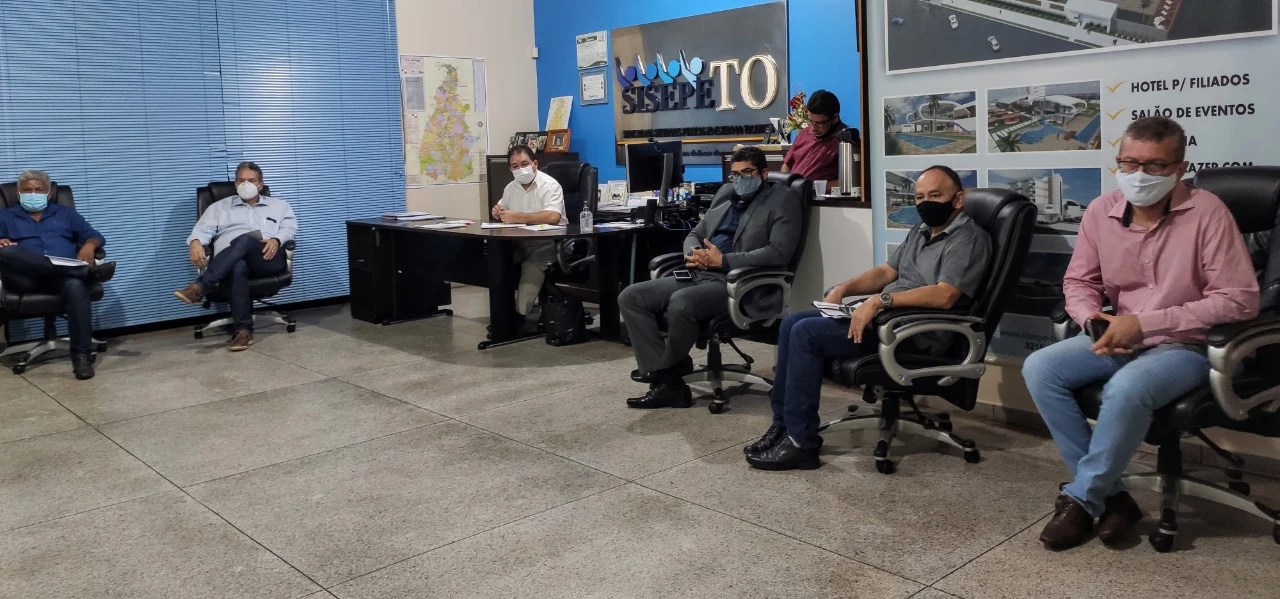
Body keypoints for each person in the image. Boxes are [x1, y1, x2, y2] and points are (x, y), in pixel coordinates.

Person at [1021, 116, 1260, 550]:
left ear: (1180, 168)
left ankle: (1082, 499)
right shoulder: (1101, 211)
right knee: (1040, 368)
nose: (1138, 174)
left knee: (1127, 387)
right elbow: (1078, 281)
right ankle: (1113, 497)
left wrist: (1147, 323)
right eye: (1129, 163)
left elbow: (1239, 300)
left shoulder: (1207, 212)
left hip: (1189, 344)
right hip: (1120, 334)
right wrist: (1090, 316)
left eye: (1154, 166)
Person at [746, 165, 991, 470]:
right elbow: (887, 272)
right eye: (919, 197)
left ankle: (801, 443)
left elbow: (946, 295)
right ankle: (783, 425)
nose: (925, 203)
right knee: (792, 323)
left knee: (805, 334)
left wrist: (879, 300)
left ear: (958, 199)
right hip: (887, 320)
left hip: (913, 333)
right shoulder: (921, 231)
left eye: (935, 195)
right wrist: (844, 289)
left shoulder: (968, 238)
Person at [619, 146, 802, 409]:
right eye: (735, 174)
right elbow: (696, 233)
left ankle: (666, 377)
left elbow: (779, 252)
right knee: (631, 296)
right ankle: (667, 375)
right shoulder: (726, 194)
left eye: (747, 172)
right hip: (699, 271)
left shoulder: (783, 199)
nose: (740, 179)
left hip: (737, 282)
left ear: (763, 173)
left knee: (682, 301)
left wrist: (723, 261)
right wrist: (695, 254)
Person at [0, 169, 116, 380]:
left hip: (63, 281)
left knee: (76, 286)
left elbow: (94, 235)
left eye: (38, 190)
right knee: (7, 252)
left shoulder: (65, 214)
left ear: (49, 192)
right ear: (18, 193)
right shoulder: (5, 216)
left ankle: (81, 357)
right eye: (27, 190)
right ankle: (84, 272)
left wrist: (89, 246)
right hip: (25, 279)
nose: (33, 194)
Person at [174, 161, 297, 352]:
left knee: (245, 240)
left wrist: (276, 240)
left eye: (251, 180)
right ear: (235, 184)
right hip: (229, 262)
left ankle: (202, 286)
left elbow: (289, 228)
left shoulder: (279, 205)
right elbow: (202, 230)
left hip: (266, 258)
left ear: (260, 184)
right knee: (237, 265)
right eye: (241, 180)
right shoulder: (218, 207)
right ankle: (243, 331)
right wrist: (196, 242)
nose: (246, 184)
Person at [489, 145, 567, 332]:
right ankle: (501, 314)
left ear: (535, 164)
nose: (520, 169)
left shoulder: (549, 185)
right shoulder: (510, 188)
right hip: (519, 242)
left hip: (550, 243)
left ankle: (518, 316)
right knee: (497, 260)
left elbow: (553, 217)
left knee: (532, 265)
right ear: (510, 169)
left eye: (524, 164)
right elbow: (501, 209)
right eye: (515, 166)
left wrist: (518, 217)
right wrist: (496, 212)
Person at [781, 89, 846, 185]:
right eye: (811, 121)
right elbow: (786, 165)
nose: (814, 128)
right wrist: (785, 183)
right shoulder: (804, 133)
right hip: (792, 190)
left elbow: (847, 181)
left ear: (835, 118)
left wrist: (814, 187)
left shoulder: (845, 141)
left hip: (819, 193)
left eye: (820, 123)